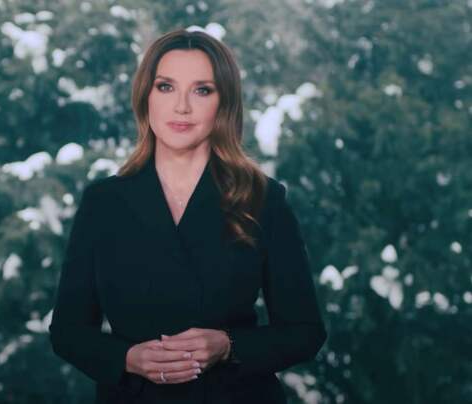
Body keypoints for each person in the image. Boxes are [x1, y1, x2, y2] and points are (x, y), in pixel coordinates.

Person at [49, 28, 327, 404]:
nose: (181, 106)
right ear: (145, 96)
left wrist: (228, 345)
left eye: (202, 90)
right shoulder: (103, 203)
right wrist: (127, 358)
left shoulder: (263, 198)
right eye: (166, 87)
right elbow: (67, 332)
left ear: (224, 102)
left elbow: (305, 331)